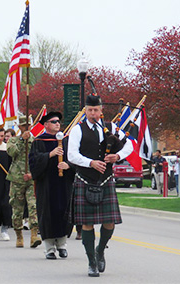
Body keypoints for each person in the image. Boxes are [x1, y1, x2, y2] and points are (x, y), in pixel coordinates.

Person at [67, 94, 133, 277]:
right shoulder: (78, 130)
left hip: (105, 180)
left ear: (101, 110)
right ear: (85, 111)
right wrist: (91, 162)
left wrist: (117, 156)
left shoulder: (111, 127)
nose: (93, 113)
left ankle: (100, 250)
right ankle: (91, 262)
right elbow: (71, 155)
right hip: (85, 179)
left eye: (96, 110)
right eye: (89, 110)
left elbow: (130, 146)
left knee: (110, 222)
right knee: (87, 223)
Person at [29, 112, 74, 259]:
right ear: (46, 124)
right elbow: (34, 163)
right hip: (46, 184)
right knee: (48, 213)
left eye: (58, 121)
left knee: (64, 212)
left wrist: (68, 165)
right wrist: (49, 155)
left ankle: (62, 245)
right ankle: (49, 248)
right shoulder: (39, 141)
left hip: (64, 184)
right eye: (53, 121)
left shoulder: (67, 141)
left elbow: (75, 158)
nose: (57, 123)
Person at [7, 115, 41, 248]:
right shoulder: (13, 140)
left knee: (33, 207)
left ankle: (34, 235)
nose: (26, 128)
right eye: (23, 125)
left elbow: (39, 159)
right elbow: (12, 152)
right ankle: (19, 235)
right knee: (17, 209)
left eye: (28, 125)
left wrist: (33, 174)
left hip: (31, 179)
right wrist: (22, 140)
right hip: (17, 179)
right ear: (19, 127)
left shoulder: (36, 141)